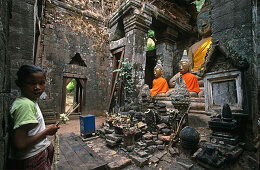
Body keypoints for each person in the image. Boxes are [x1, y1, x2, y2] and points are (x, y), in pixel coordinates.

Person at [6, 65, 59, 170]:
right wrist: (46, 131)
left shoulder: (29, 101)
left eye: (41, 83)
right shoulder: (26, 105)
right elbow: (20, 143)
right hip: (32, 159)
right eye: (31, 83)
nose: (37, 87)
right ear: (19, 84)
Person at [188, 0, 212, 73]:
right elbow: (188, 66)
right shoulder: (192, 47)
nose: (203, 23)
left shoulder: (215, 40)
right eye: (200, 21)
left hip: (208, 72)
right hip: (195, 74)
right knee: (172, 81)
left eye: (207, 19)